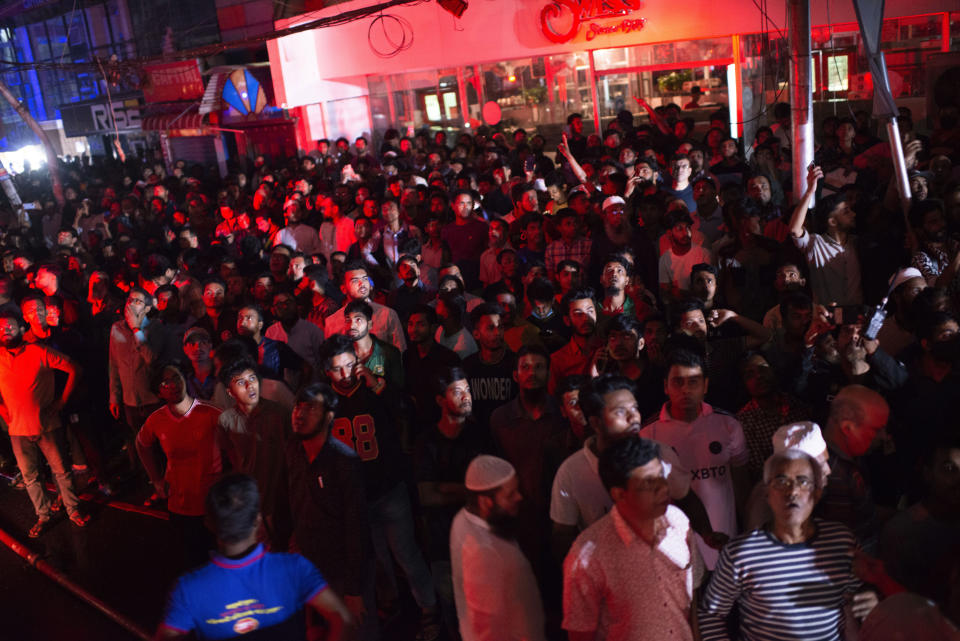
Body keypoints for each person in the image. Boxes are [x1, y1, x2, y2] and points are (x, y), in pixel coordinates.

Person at [321, 336, 441, 640]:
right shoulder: (324, 401)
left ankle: (430, 610)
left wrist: (377, 384)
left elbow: (406, 411)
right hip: (358, 498)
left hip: (388, 489)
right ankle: (396, 608)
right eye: (339, 369)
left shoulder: (374, 387)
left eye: (351, 365)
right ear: (327, 372)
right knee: (379, 561)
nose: (347, 374)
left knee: (406, 555)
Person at [699, 449, 879, 641]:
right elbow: (710, 614)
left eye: (803, 482)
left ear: (817, 493)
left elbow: (855, 597)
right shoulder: (741, 553)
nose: (792, 491)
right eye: (781, 482)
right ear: (767, 493)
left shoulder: (841, 541)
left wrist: (872, 602)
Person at [157, 474, 352, 641]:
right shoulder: (295, 568)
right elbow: (341, 618)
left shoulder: (188, 589)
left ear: (210, 524)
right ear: (258, 520)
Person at [562, 436, 704, 641]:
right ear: (619, 494)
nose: (663, 489)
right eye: (649, 483)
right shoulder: (587, 555)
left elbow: (692, 604)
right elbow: (580, 633)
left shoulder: (679, 523)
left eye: (661, 478)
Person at [640, 348, 750, 568]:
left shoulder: (728, 425)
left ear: (705, 386)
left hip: (724, 545)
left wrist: (746, 529)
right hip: (673, 551)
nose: (685, 390)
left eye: (693, 382)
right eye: (678, 382)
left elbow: (741, 481)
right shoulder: (647, 435)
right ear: (665, 386)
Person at [284, 383, 378, 640]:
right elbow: (295, 499)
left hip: (344, 570)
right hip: (312, 567)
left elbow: (356, 525)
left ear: (328, 417)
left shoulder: (344, 461)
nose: (300, 414)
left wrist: (354, 590)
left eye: (310, 408)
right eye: (297, 407)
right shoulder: (293, 450)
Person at [0, 308, 89, 537]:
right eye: (0, 328)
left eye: (9, 326)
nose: (4, 331)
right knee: (30, 476)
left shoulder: (38, 351)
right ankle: (43, 515)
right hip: (17, 429)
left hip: (47, 425)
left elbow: (74, 369)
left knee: (61, 470)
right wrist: (3, 410)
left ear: (21, 329)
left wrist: (61, 402)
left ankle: (73, 511)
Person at [450, 455, 546, 641]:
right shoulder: (487, 554)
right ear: (486, 502)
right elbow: (491, 625)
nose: (519, 497)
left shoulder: (461, 519)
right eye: (510, 494)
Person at [136, 362, 222, 568]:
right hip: (180, 505)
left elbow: (238, 447)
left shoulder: (212, 412)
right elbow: (141, 444)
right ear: (159, 392)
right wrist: (156, 480)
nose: (172, 385)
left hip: (212, 503)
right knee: (193, 560)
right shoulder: (156, 421)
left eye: (176, 377)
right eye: (165, 383)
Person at [217, 358, 291, 548]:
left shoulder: (279, 414)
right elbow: (231, 457)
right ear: (230, 392)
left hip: (281, 501)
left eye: (253, 378)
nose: (250, 386)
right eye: (241, 382)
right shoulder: (226, 421)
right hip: (250, 502)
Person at [788, 164, 863, 306]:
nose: (853, 214)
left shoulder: (857, 244)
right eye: (846, 211)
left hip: (856, 320)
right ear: (832, 221)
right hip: (827, 319)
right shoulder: (815, 244)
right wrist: (810, 191)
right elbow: (794, 229)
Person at [324, 261, 407, 352]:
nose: (362, 284)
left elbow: (400, 352)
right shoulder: (332, 322)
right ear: (343, 289)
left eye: (365, 279)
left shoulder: (387, 314)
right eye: (355, 280)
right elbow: (331, 358)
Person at [462, 303, 516, 429]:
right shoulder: (468, 366)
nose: (498, 332)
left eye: (501, 327)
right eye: (491, 328)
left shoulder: (515, 363)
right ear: (476, 334)